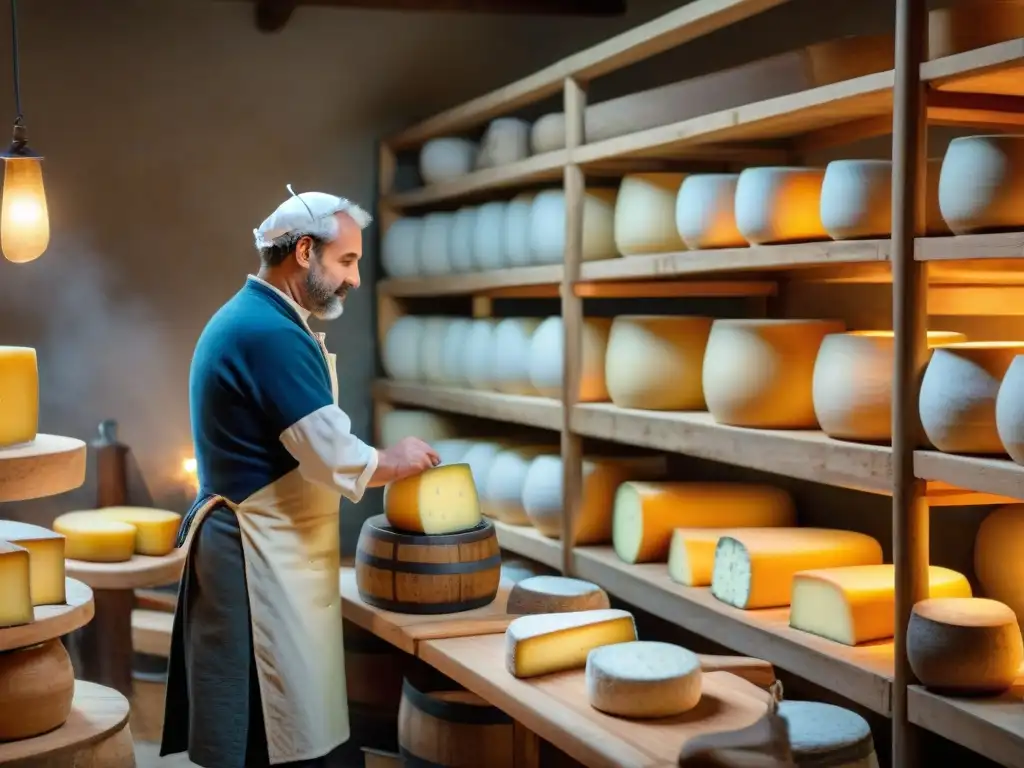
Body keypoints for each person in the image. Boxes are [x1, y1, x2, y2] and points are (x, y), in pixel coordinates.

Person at [160, 186, 439, 768]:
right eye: (347, 261)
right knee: (272, 725)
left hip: (272, 547)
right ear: (304, 251)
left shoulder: (264, 317)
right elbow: (330, 453)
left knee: (284, 718)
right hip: (255, 556)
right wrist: (398, 459)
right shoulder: (268, 333)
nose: (355, 279)